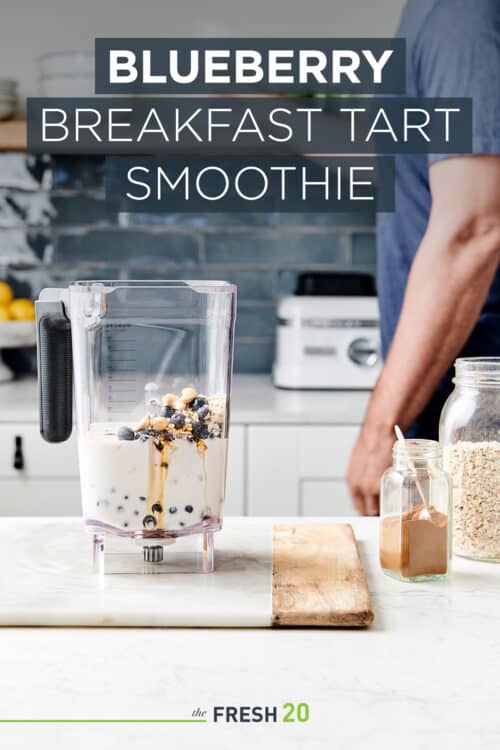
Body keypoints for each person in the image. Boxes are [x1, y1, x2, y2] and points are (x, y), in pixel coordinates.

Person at [347, 0, 500, 515]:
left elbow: (475, 228)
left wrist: (378, 434)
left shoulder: (463, 15)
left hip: (477, 410)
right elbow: (412, 169)